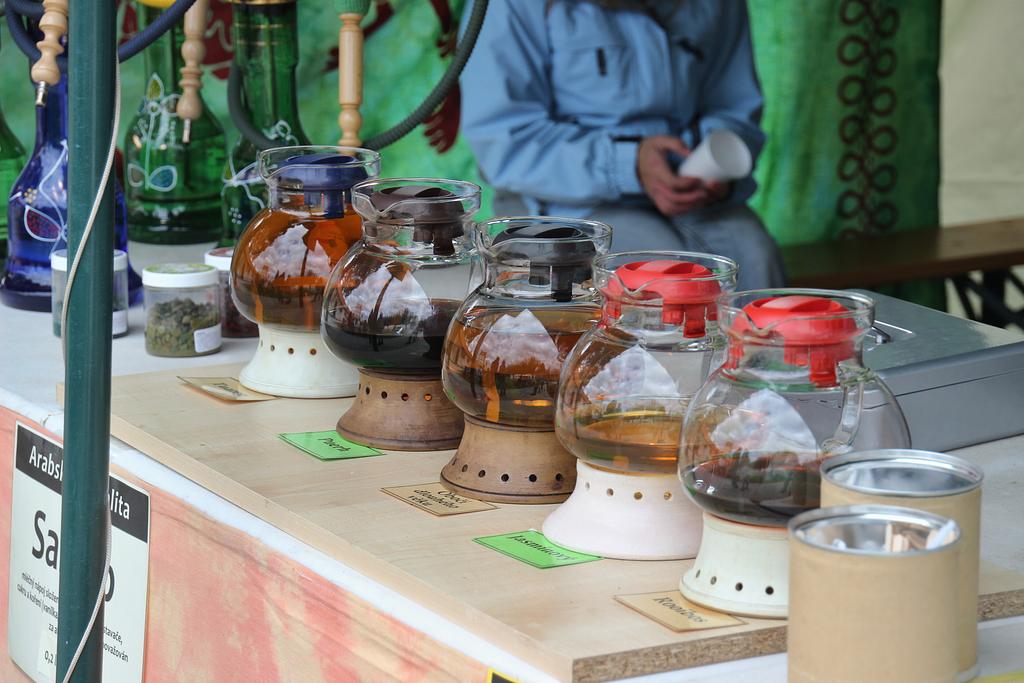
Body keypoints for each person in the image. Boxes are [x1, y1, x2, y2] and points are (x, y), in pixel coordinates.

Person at [459, 0, 786, 290]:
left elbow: (734, 107)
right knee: (657, 276)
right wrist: (629, 165)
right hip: (563, 201)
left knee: (753, 256)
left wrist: (711, 168)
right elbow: (505, 141)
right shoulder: (507, 6)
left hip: (688, 195)